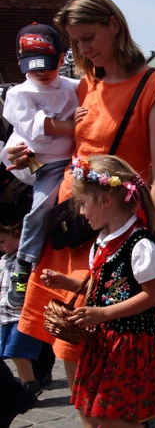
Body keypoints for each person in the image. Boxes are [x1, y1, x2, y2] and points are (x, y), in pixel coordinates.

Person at [9, 0, 155, 427]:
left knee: (114, 349)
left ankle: (146, 413)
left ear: (113, 25)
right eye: (76, 42)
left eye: (88, 37)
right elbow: (68, 147)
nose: (83, 50)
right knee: (69, 340)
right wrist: (25, 158)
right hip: (70, 227)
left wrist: (146, 241)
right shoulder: (88, 83)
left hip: (118, 229)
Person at [40, 155, 155, 427]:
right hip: (104, 340)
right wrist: (66, 282)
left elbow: (152, 296)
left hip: (128, 342)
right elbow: (101, 287)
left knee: (112, 416)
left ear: (105, 201)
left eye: (82, 204)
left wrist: (102, 313)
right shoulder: (100, 243)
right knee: (93, 410)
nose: (80, 212)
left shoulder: (139, 245)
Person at [1, 23, 81, 308]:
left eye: (47, 65)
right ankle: (23, 264)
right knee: (41, 206)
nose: (42, 73)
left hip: (70, 161)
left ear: (61, 59)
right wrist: (74, 124)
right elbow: (40, 127)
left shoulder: (75, 87)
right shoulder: (18, 94)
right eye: (34, 68)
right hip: (39, 164)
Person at [0, 209, 45, 396]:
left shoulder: (27, 259)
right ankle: (22, 386)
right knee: (8, 353)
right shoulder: (3, 260)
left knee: (17, 351)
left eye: (3, 241)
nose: (0, 246)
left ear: (18, 236)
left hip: (23, 315)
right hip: (5, 315)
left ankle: (30, 386)